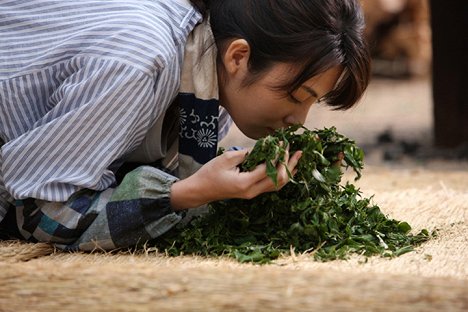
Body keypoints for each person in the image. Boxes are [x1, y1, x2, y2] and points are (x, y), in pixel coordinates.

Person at [0, 0, 370, 250]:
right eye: (297, 96)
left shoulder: (206, 76)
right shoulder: (144, 61)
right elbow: (39, 214)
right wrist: (184, 195)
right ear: (238, 56)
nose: (298, 121)